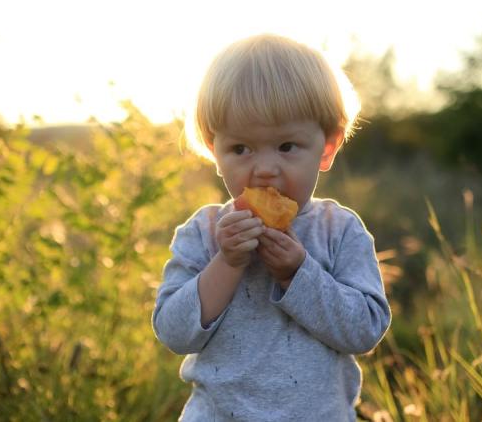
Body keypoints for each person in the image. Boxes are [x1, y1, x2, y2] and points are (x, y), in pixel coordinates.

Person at [152, 33, 391, 421]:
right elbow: (174, 333)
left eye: (285, 147)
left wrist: (299, 274)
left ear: (326, 149)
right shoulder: (203, 232)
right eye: (241, 149)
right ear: (215, 152)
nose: (263, 168)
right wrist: (227, 264)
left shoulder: (340, 230)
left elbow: (365, 330)